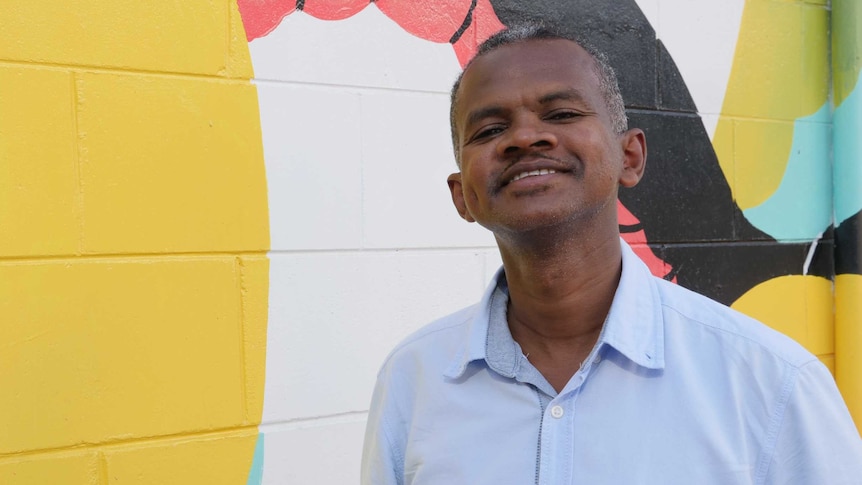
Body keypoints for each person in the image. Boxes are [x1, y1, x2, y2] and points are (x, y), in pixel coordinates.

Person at [361, 23, 862, 484]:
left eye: (561, 113)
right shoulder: (414, 379)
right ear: (461, 196)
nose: (525, 137)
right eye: (490, 130)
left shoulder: (769, 382)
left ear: (631, 156)